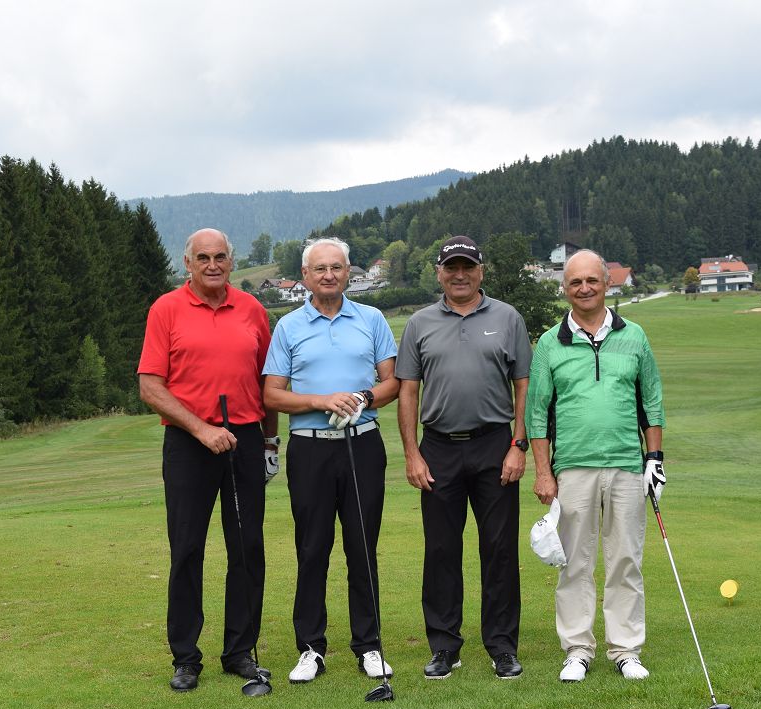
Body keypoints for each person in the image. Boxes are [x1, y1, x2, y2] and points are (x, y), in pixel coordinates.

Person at [138, 228, 280, 692]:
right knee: (187, 549)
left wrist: (270, 442)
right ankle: (186, 657)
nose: (213, 265)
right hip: (188, 441)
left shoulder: (252, 309)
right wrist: (201, 429)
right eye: (203, 258)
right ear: (188, 263)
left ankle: (239, 651)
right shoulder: (166, 309)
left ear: (231, 262)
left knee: (247, 548)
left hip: (244, 439)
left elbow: (268, 383)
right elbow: (150, 387)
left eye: (220, 256)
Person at [262, 237, 399, 684]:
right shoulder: (288, 326)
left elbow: (393, 383)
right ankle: (310, 648)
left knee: (362, 547)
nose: (328, 275)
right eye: (319, 268)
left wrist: (362, 397)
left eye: (336, 267)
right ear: (305, 276)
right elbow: (272, 394)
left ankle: (369, 645)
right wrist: (322, 400)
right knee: (312, 548)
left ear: (347, 272)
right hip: (310, 448)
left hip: (362, 444)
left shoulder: (371, 318)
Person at [525, 249, 665, 683]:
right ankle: (577, 650)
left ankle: (625, 649)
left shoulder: (634, 336)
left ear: (606, 284)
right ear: (565, 289)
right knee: (574, 563)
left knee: (626, 559)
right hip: (572, 468)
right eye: (575, 282)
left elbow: (652, 401)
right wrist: (543, 472)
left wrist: (655, 459)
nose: (584, 288)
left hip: (627, 465)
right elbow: (536, 412)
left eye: (591, 280)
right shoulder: (550, 343)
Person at [396, 235, 532, 680]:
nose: (459, 275)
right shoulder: (419, 323)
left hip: (494, 445)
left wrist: (518, 445)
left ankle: (502, 646)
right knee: (440, 550)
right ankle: (444, 646)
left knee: (499, 549)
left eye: (467, 267)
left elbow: (524, 387)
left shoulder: (507, 318)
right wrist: (412, 454)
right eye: (451, 268)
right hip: (438, 448)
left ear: (481, 271)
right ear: (439, 273)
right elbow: (408, 391)